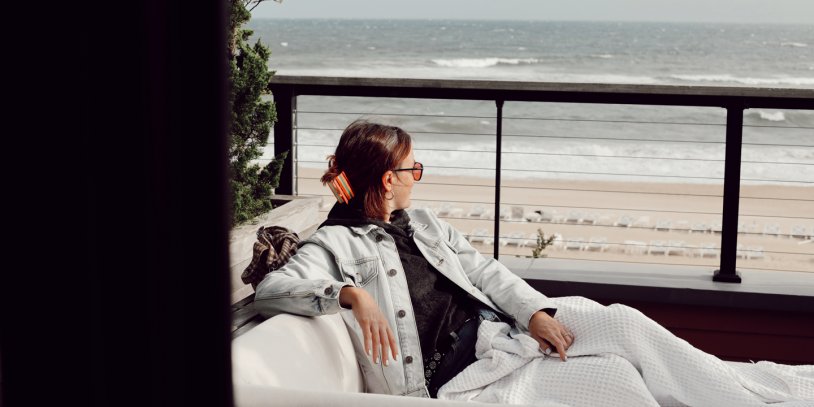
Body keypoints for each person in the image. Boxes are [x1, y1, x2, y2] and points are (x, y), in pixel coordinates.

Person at [253, 120, 813, 405]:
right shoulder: (336, 245)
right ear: (387, 180)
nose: (416, 176)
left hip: (503, 334)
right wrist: (351, 294)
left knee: (623, 320)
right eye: (411, 169)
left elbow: (485, 271)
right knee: (616, 382)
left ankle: (739, 399)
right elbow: (273, 290)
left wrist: (535, 312)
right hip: (463, 375)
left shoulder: (422, 225)